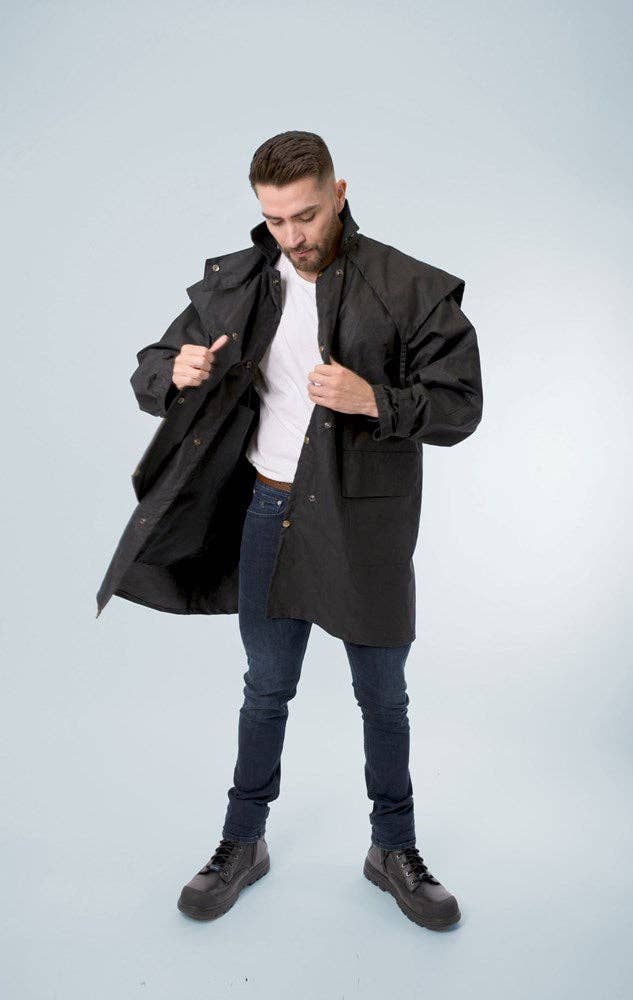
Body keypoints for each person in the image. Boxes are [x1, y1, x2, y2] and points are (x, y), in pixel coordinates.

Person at [167, 132, 484, 930]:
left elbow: (460, 405)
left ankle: (392, 850)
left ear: (338, 193)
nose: (292, 235)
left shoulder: (406, 286)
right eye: (275, 220)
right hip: (267, 512)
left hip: (363, 521)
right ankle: (242, 842)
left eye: (305, 215)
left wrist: (373, 398)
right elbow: (158, 360)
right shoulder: (239, 282)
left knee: (383, 696)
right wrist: (174, 371)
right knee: (265, 689)